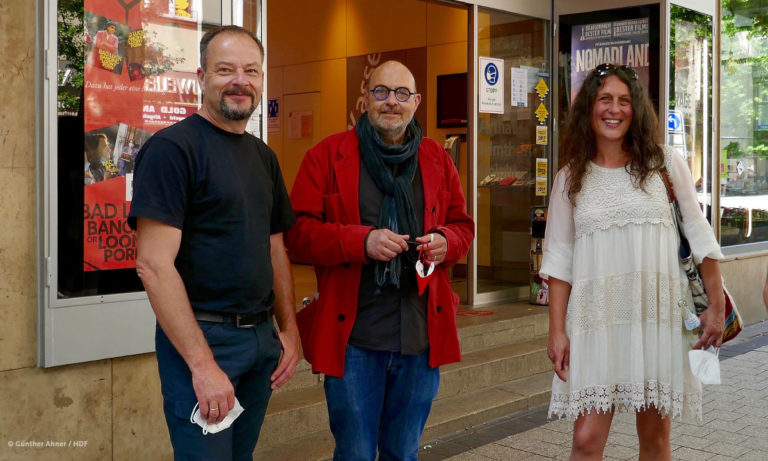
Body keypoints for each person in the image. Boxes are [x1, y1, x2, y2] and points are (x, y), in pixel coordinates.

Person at [285, 60, 474, 461]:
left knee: (403, 454)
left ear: (416, 102)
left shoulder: (437, 159)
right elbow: (297, 234)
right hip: (354, 339)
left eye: (402, 94)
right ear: (366, 99)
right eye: (382, 92)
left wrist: (446, 241)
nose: (392, 102)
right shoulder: (326, 156)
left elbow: (463, 226)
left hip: (419, 337)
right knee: (353, 454)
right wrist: (361, 241)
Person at [128, 25, 299, 460]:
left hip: (261, 339)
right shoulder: (172, 150)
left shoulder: (264, 157)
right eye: (225, 70)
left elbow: (275, 247)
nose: (240, 80)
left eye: (251, 71)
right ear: (202, 78)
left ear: (262, 81)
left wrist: (289, 331)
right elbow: (153, 265)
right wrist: (202, 366)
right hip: (205, 340)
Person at [540, 63, 726, 461]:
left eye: (624, 101)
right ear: (589, 107)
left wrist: (716, 307)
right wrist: (557, 332)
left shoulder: (664, 164)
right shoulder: (569, 179)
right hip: (595, 322)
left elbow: (699, 235)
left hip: (657, 318)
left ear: (636, 109)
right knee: (587, 439)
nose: (614, 109)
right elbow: (558, 263)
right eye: (605, 99)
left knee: (655, 438)